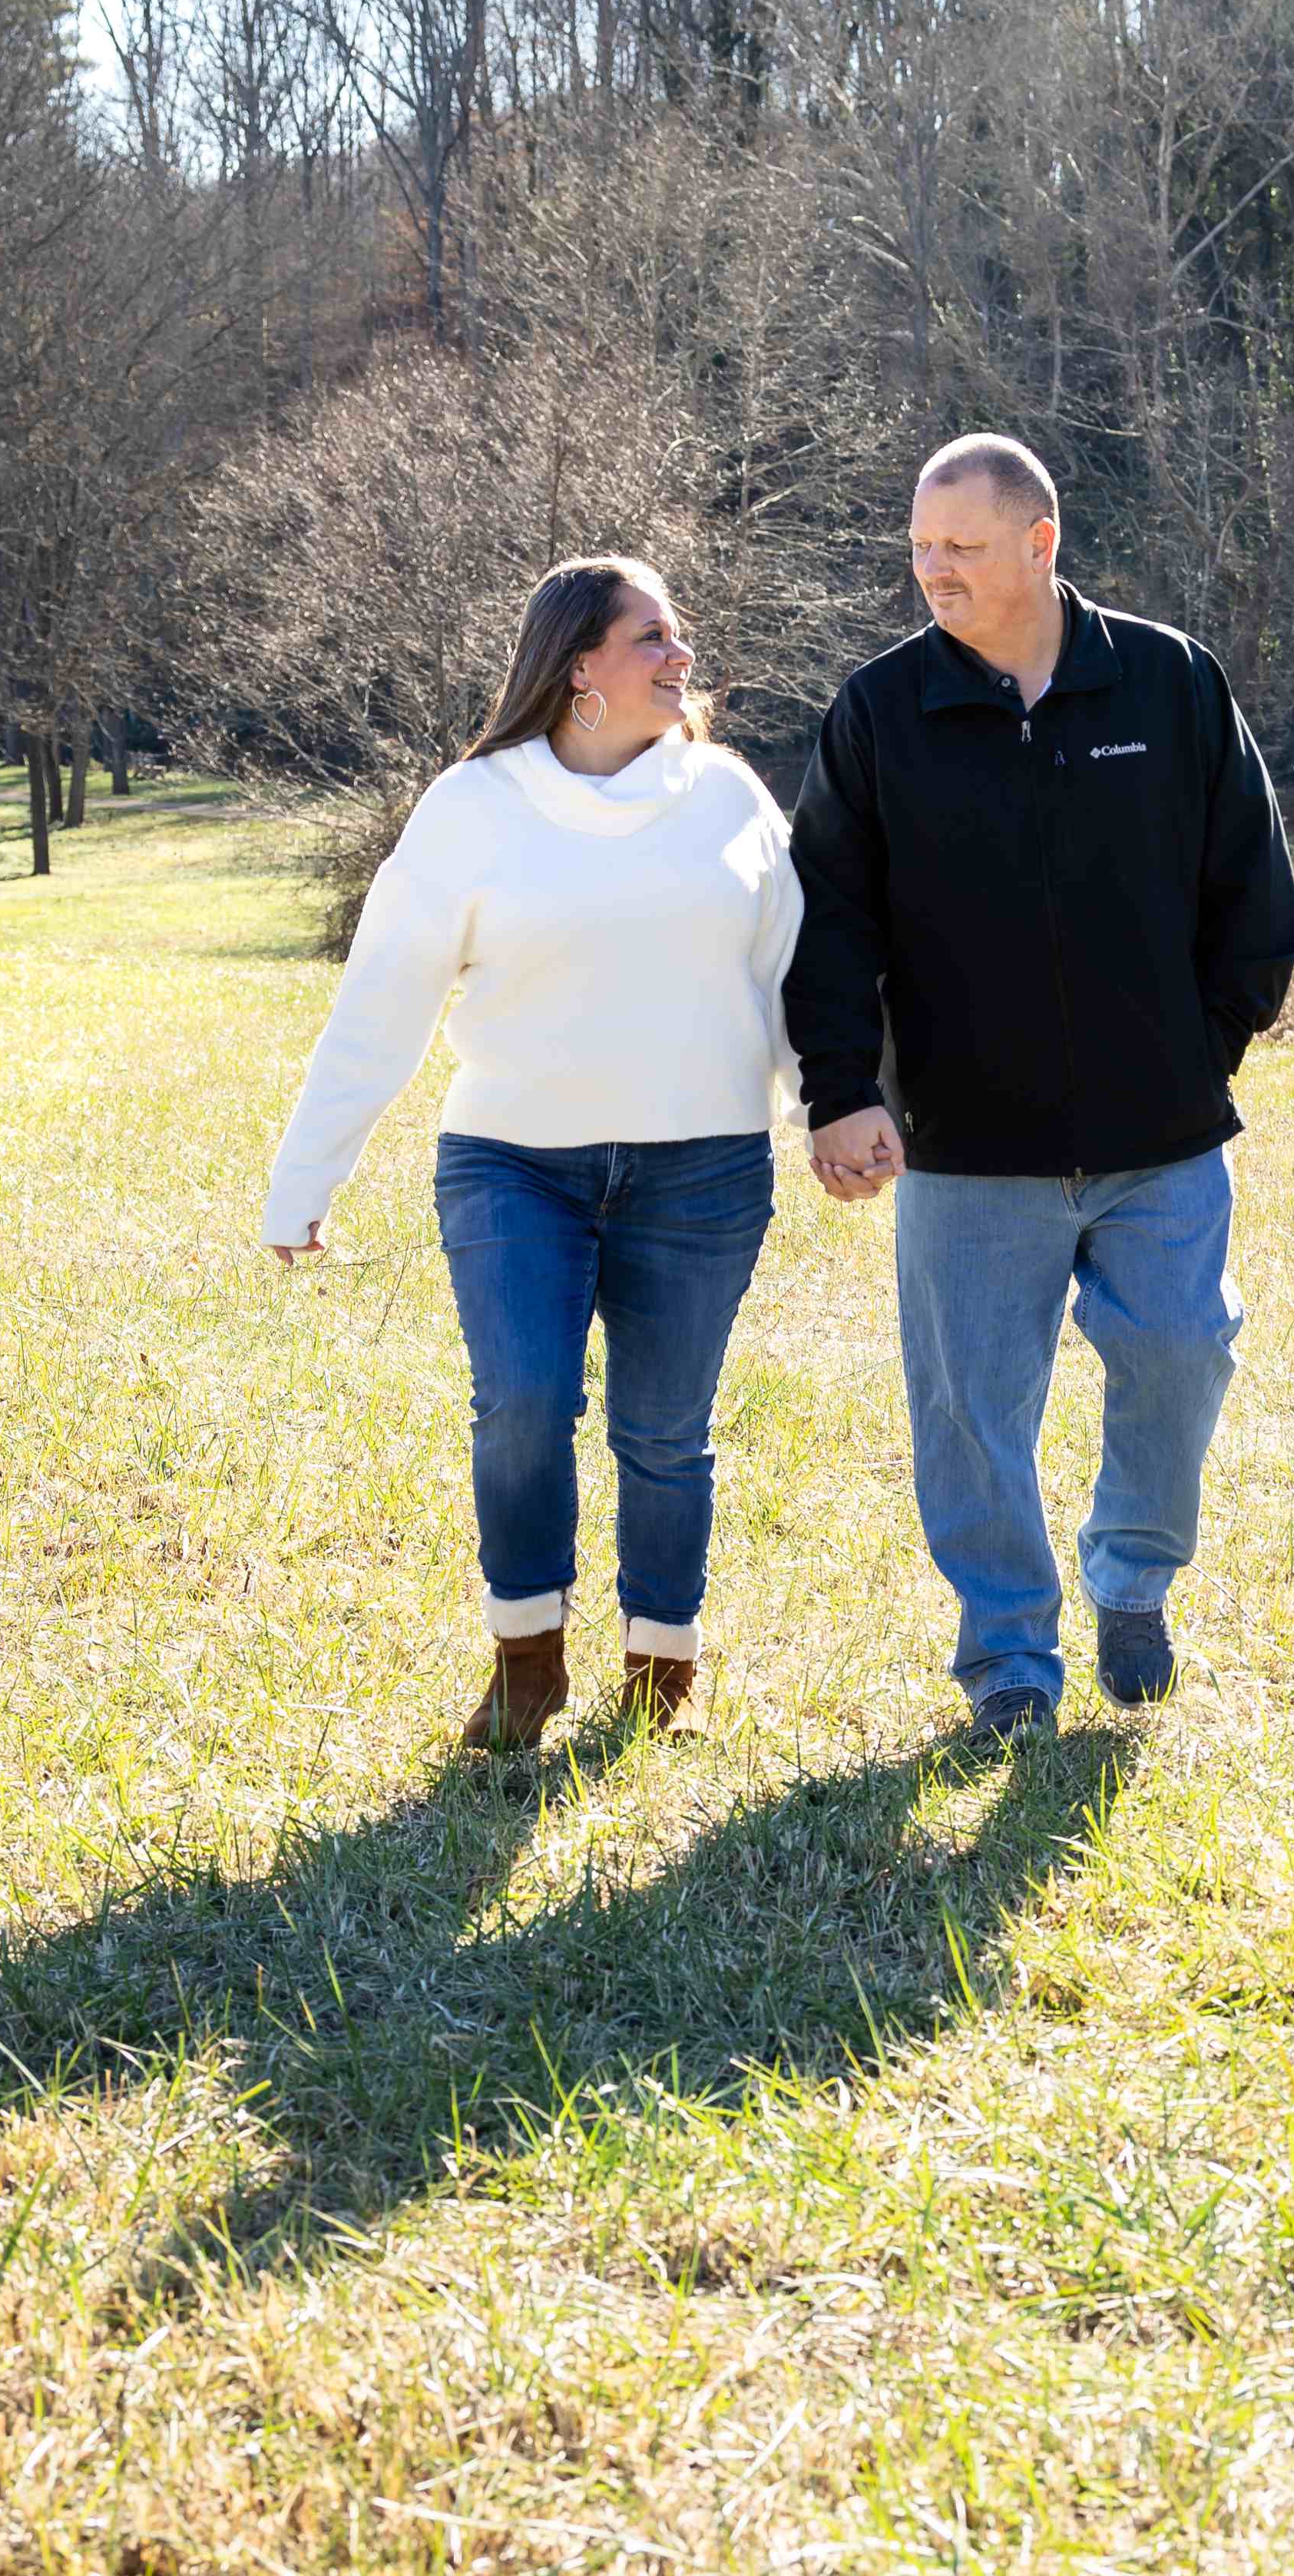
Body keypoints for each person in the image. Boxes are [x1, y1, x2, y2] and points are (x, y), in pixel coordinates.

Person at [786, 435, 1294, 1744]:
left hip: (1164, 1137)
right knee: (969, 1419)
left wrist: (1200, 1052)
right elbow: (829, 920)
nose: (933, 571)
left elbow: (1254, 892)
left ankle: (1132, 1577)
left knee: (1186, 1356)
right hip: (965, 1150)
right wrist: (844, 1091)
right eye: (919, 547)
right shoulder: (880, 715)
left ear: (1041, 542)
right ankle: (1009, 1659)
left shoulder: (1171, 682)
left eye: (960, 548)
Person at [263, 556, 802, 1750]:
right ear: (579, 669)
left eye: (680, 637)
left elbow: (791, 977)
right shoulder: (474, 809)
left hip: (703, 1169)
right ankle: (527, 1666)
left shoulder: (727, 798)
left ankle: (663, 1672)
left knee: (666, 1431)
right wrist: (306, 1179)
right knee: (521, 1403)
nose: (682, 659)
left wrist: (830, 1117)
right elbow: (381, 1001)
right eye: (653, 638)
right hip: (515, 1165)